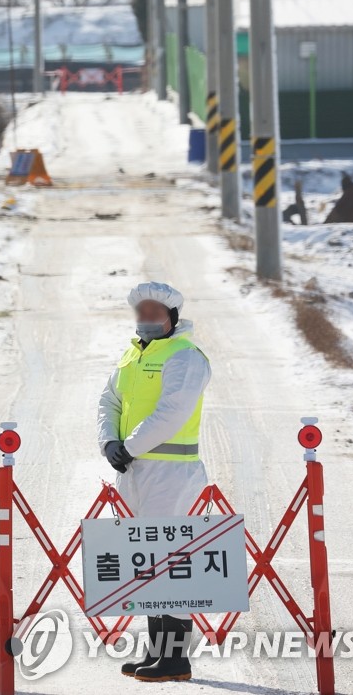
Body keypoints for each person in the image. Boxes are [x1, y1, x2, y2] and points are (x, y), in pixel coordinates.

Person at [97, 282, 211, 683]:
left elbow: (172, 412)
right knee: (143, 562)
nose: (146, 317)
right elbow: (109, 399)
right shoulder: (132, 354)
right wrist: (109, 440)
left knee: (172, 562)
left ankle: (176, 659)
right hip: (134, 470)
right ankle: (155, 651)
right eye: (141, 310)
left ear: (172, 316)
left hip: (171, 472)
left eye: (154, 310)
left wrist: (129, 445)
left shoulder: (185, 357)